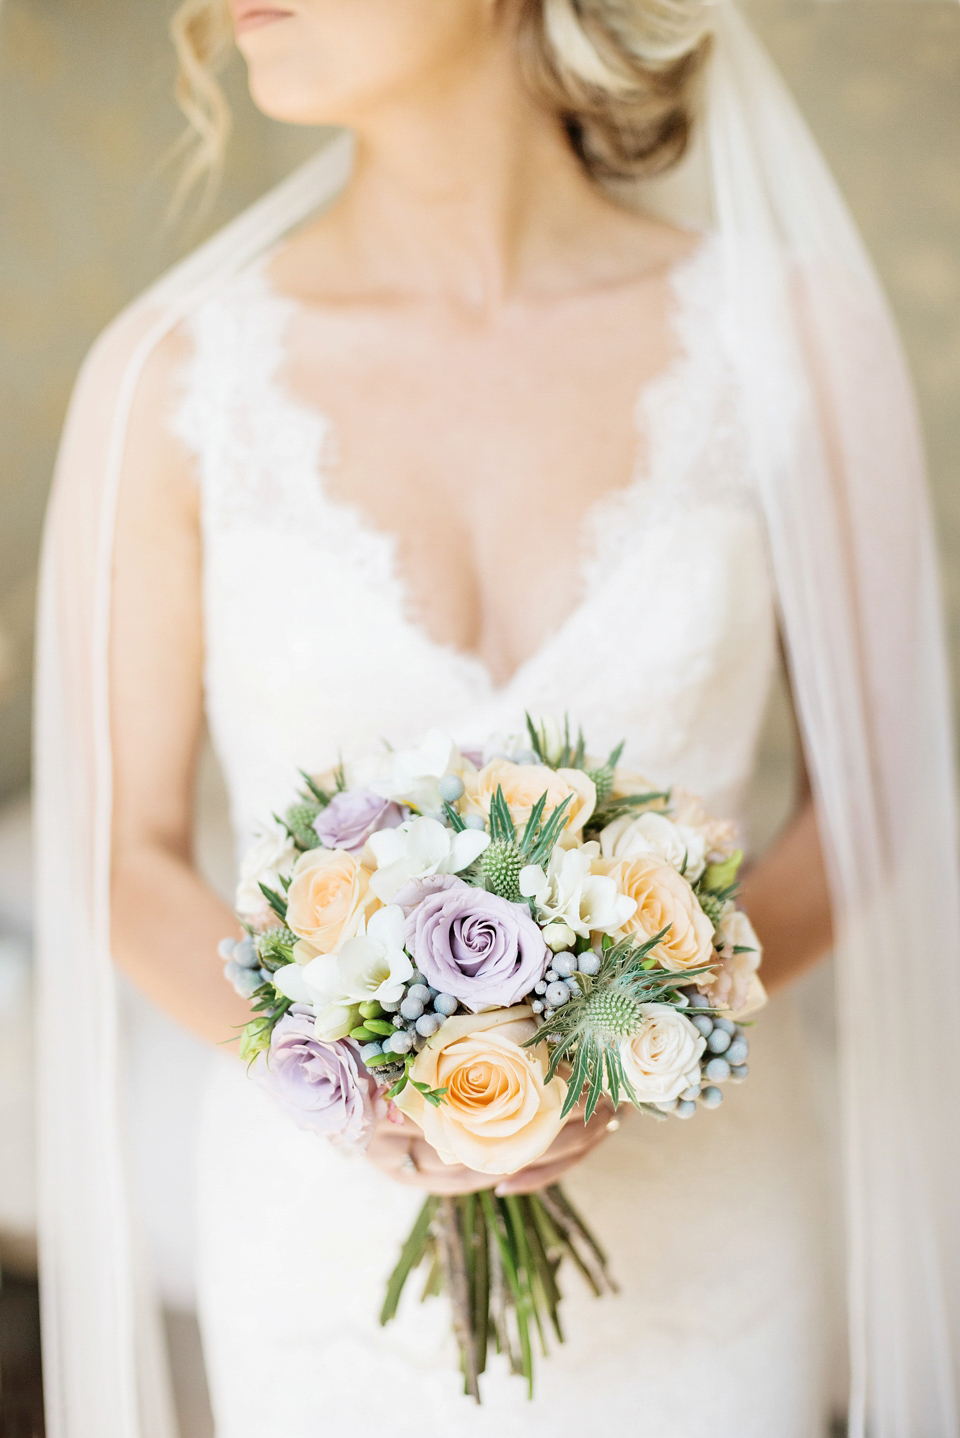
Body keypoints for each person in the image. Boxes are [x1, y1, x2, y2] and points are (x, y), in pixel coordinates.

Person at [34, 2, 960, 1435]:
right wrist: (356, 1080)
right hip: (321, 1249)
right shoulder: (170, 382)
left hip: (708, 1240)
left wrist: (638, 1007)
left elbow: (884, 792)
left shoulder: (792, 341)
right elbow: (119, 846)